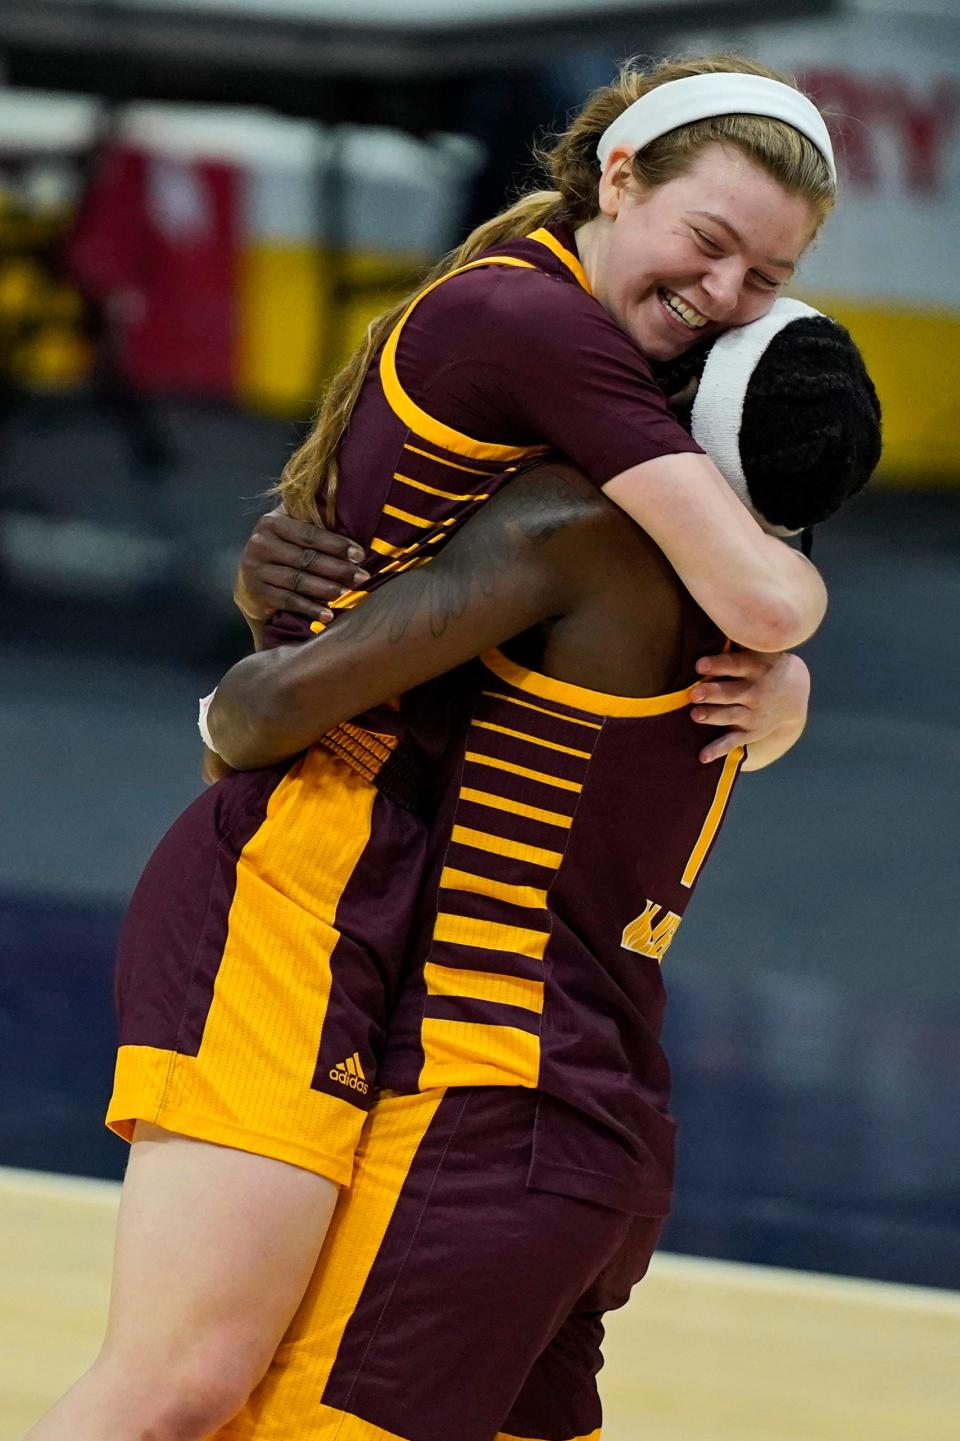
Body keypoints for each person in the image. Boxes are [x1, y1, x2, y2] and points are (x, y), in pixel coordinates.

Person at [27, 54, 843, 1441]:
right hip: (305, 866)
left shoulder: (576, 352)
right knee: (181, 1387)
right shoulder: (547, 345)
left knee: (237, 1390)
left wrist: (782, 684)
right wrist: (791, 654)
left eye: (763, 278)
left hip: (408, 900)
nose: (723, 292)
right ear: (616, 177)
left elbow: (365, 557)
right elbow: (271, 698)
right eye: (710, 243)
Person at [202, 303, 881, 1441]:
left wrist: (265, 642)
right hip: (605, 1138)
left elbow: (265, 712)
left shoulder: (580, 528)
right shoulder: (749, 612)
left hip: (479, 1114)